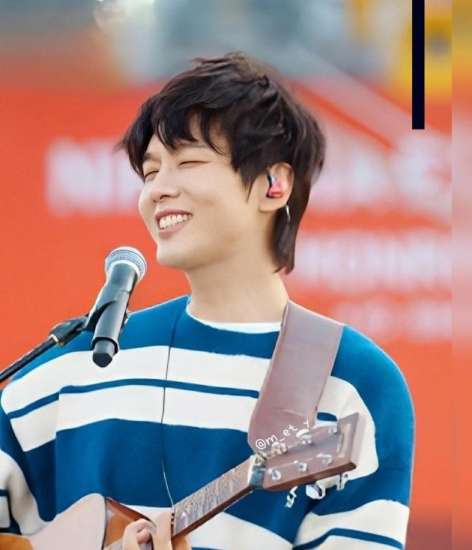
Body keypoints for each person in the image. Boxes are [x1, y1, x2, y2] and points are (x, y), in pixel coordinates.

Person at [0, 52, 414, 549]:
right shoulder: (75, 368)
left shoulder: (350, 383)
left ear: (274, 184)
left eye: (189, 163)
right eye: (150, 172)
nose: (158, 190)